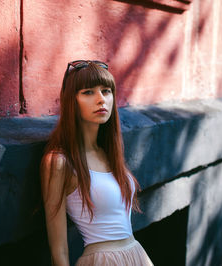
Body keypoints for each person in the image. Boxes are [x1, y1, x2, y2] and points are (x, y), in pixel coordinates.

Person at [40, 60, 153, 266]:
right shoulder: (60, 162)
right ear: (72, 101)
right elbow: (59, 250)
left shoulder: (109, 153)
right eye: (88, 92)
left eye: (106, 91)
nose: (101, 99)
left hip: (136, 254)